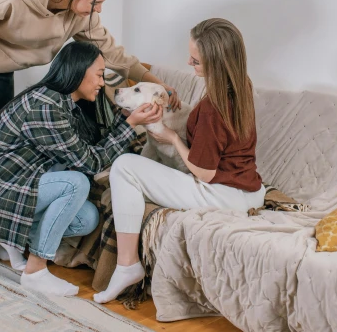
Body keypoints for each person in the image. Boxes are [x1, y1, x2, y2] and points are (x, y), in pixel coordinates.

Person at [0, 0, 180, 280]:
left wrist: (157, 83)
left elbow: (113, 53)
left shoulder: (79, 16)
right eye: (96, 2)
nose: (99, 10)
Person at [0, 42, 162, 296]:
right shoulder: (46, 106)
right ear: (78, 71)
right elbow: (90, 163)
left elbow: (89, 150)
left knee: (86, 219)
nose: (102, 82)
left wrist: (124, 117)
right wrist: (130, 124)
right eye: (99, 74)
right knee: (76, 182)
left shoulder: (64, 102)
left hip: (17, 183)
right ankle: (35, 271)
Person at [94, 18, 266, 304]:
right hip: (250, 192)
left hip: (221, 193)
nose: (189, 62)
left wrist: (172, 137)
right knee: (135, 167)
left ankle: (127, 265)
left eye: (196, 60)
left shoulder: (214, 108)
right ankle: (127, 264)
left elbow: (205, 173)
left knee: (124, 166)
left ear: (216, 60)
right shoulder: (240, 86)